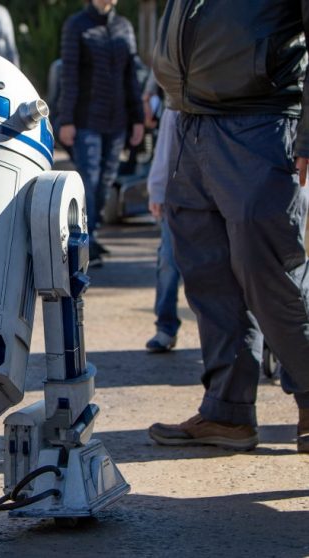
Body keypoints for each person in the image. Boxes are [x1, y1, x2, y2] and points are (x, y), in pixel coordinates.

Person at [147, 0, 309, 454]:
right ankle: (228, 412)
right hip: (190, 121)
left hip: (261, 123)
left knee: (272, 273)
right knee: (209, 278)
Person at [56, 0, 144, 267]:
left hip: (117, 121)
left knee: (106, 183)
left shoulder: (124, 27)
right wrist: (67, 119)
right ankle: (83, 242)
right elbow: (68, 76)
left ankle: (91, 235)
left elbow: (132, 75)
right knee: (89, 181)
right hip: (86, 120)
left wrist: (138, 118)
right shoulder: (76, 26)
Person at [145, 102, 182, 353]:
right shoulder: (177, 100)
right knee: (168, 261)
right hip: (179, 195)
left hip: (221, 194)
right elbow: (165, 149)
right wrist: (157, 190)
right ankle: (166, 326)